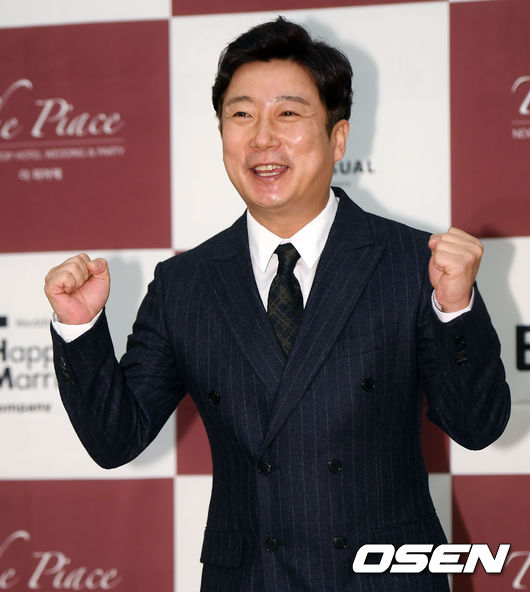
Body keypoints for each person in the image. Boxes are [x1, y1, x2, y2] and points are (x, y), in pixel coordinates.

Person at [45, 17, 510, 592]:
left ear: (338, 137)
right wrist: (80, 328)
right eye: (241, 115)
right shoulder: (185, 284)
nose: (262, 138)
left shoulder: (414, 263)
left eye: (288, 113)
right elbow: (116, 440)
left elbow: (477, 426)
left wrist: (456, 308)